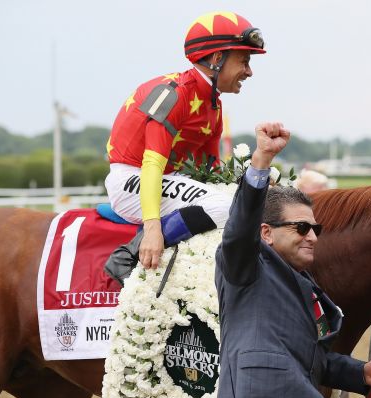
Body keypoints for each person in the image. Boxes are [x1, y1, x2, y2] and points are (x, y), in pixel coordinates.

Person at [213, 122, 371, 398]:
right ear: (266, 233)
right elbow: (240, 227)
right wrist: (261, 162)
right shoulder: (246, 264)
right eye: (301, 228)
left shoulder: (307, 284)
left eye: (315, 228)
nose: (312, 237)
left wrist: (362, 373)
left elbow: (316, 360)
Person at [103, 11, 266, 280]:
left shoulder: (213, 104)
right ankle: (129, 256)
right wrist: (153, 227)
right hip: (133, 178)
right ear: (217, 59)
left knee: (238, 201)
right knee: (229, 208)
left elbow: (210, 171)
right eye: (244, 61)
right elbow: (152, 163)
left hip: (165, 179)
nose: (248, 71)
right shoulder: (173, 93)